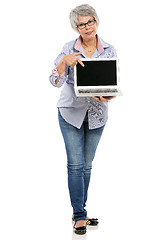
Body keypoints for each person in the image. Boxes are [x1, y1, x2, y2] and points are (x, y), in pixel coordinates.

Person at [49, 4, 117, 235]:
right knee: (75, 166)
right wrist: (63, 63)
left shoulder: (108, 49)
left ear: (96, 21)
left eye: (90, 22)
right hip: (71, 113)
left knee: (87, 166)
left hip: (97, 115)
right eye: (82, 24)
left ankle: (80, 210)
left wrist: (106, 96)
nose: (87, 27)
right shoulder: (68, 48)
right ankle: (79, 215)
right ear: (76, 27)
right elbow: (54, 81)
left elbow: (111, 85)